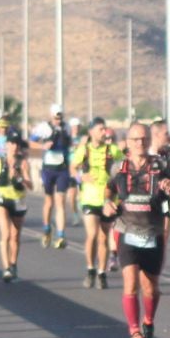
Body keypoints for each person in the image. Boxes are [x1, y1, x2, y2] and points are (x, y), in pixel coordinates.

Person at [105, 122, 170, 338]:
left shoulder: (161, 165)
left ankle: (148, 324)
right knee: (130, 282)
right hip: (127, 230)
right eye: (135, 139)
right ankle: (134, 331)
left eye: (144, 139)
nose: (140, 143)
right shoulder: (119, 168)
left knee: (151, 287)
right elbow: (109, 189)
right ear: (127, 142)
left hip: (153, 232)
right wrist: (107, 203)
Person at [72, 118, 122, 289]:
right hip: (89, 198)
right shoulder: (84, 150)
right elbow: (72, 167)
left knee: (103, 237)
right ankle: (90, 269)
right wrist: (81, 176)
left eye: (105, 129)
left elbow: (124, 164)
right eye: (100, 129)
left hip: (107, 200)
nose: (104, 132)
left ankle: (101, 273)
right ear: (91, 131)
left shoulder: (112, 150)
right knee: (92, 235)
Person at [32, 105, 76, 249]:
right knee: (49, 201)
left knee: (61, 201)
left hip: (62, 169)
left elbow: (70, 143)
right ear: (51, 116)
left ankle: (61, 235)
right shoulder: (43, 128)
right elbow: (31, 142)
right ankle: (46, 229)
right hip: (48, 169)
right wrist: (43, 146)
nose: (58, 120)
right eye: (56, 117)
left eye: (60, 117)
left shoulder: (67, 128)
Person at [0, 134, 29, 282]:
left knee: (15, 235)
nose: (14, 147)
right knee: (5, 234)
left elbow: (29, 184)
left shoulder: (23, 163)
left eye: (17, 144)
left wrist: (20, 177)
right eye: (11, 144)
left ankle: (13, 264)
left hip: (18, 199)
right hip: (2, 199)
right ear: (6, 145)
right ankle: (6, 268)